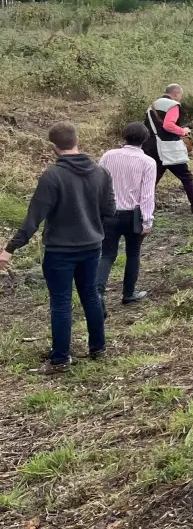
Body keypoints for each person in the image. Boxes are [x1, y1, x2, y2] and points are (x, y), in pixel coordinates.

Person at [3, 123, 116, 371]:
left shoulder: (52, 176)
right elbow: (110, 211)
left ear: (53, 146)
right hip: (92, 246)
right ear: (77, 140)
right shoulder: (101, 172)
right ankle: (98, 347)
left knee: (61, 302)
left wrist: (10, 249)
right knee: (91, 296)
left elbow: (34, 217)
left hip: (60, 251)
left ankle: (61, 359)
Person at [97, 123, 157, 306]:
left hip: (108, 213)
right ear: (145, 139)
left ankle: (97, 293)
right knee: (133, 253)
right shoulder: (148, 162)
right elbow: (146, 194)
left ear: (125, 136)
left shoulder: (108, 156)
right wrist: (147, 221)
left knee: (107, 254)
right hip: (133, 215)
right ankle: (128, 293)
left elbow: (98, 183)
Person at [145, 85, 193, 217]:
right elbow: (168, 125)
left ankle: (142, 209)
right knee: (186, 176)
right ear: (176, 94)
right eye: (180, 96)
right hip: (168, 148)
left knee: (152, 179)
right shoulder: (173, 105)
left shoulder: (153, 105)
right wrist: (183, 131)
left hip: (151, 146)